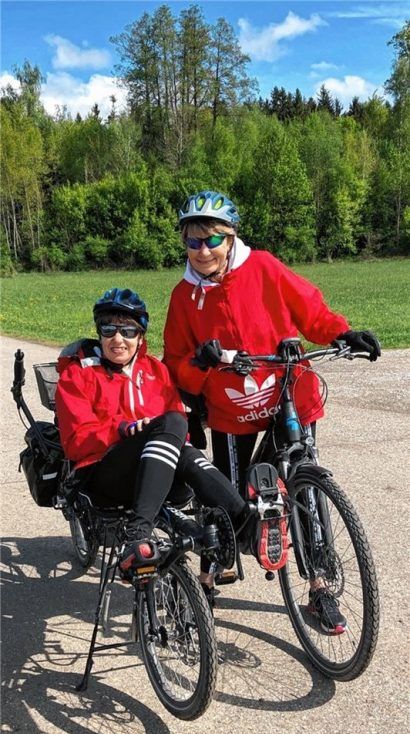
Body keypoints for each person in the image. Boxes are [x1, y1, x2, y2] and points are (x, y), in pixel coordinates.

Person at [163, 189, 381, 633]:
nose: (202, 250)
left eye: (212, 240)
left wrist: (344, 332)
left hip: (288, 398)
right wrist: (200, 364)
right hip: (231, 411)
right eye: (193, 241)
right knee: (222, 494)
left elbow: (310, 310)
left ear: (230, 238)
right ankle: (208, 575)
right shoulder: (184, 297)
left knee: (306, 489)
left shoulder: (262, 267)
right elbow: (176, 366)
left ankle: (319, 586)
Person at [55, 286, 249, 598]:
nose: (118, 339)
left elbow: (174, 436)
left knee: (183, 444)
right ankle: (138, 532)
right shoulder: (78, 376)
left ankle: (246, 524)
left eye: (128, 331)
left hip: (156, 472)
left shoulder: (156, 371)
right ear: (99, 333)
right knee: (173, 422)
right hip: (105, 476)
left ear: (141, 337)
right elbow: (76, 441)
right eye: (109, 330)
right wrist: (123, 430)